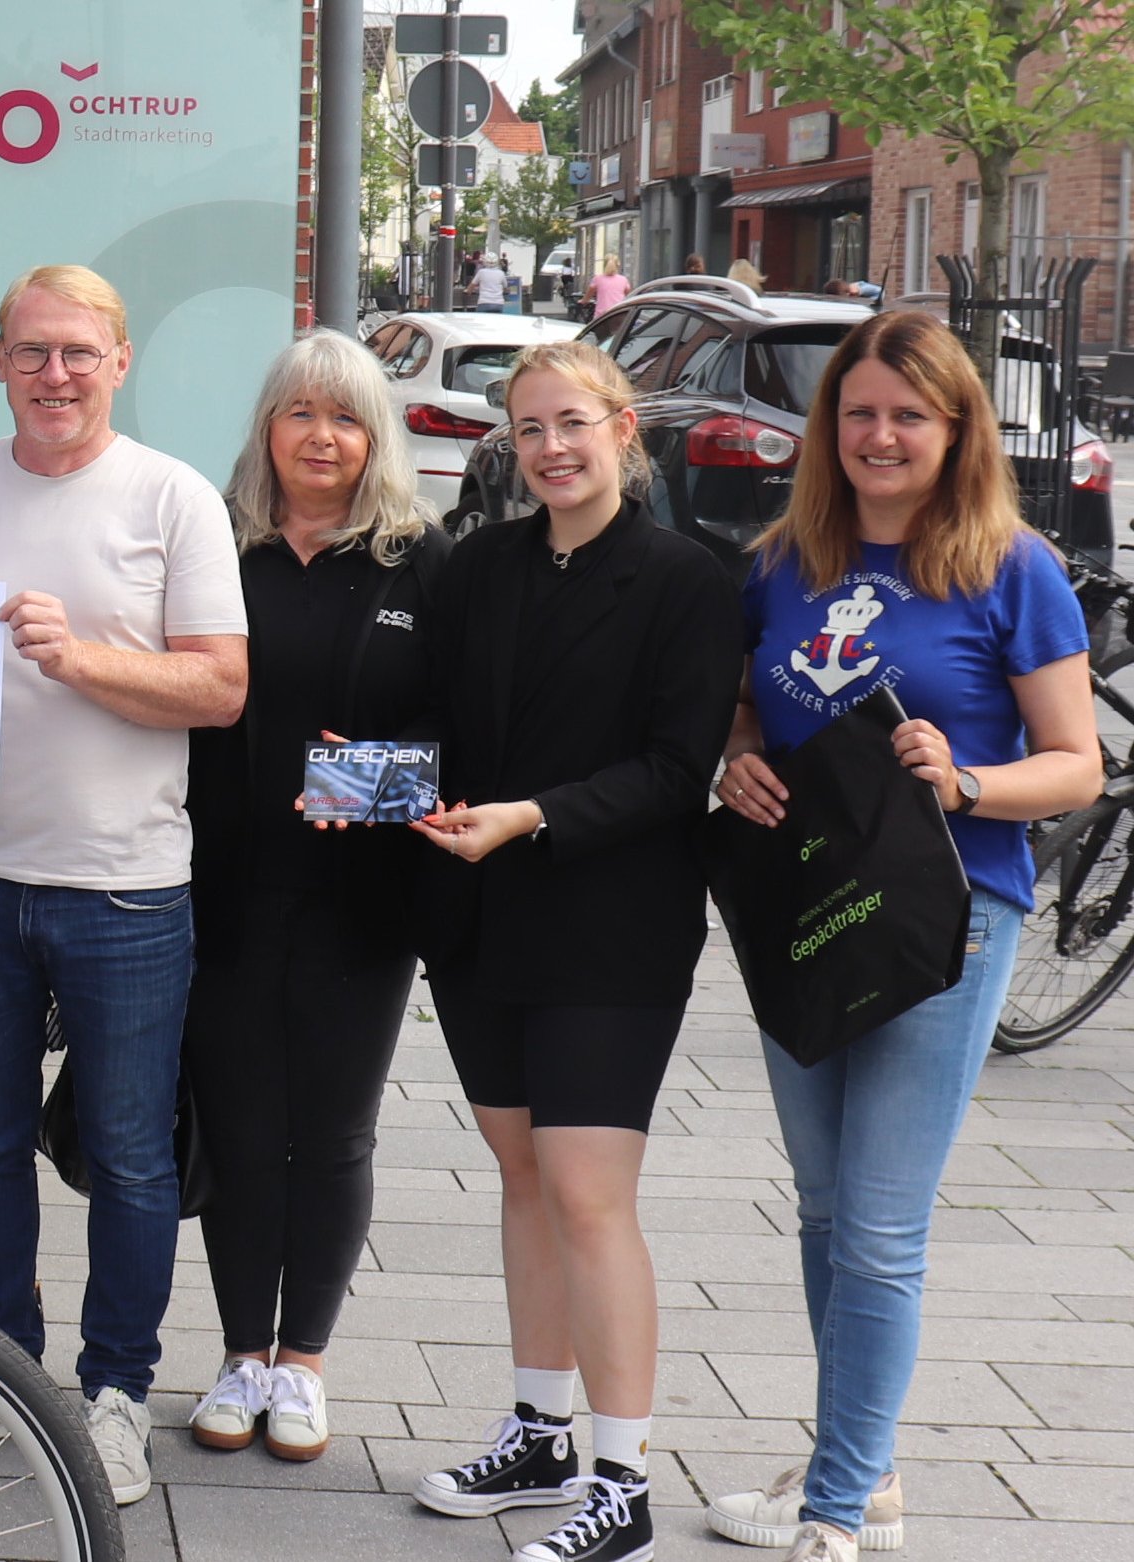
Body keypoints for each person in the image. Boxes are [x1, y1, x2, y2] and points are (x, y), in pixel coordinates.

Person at [703, 313, 1099, 1562]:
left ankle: (836, 1504)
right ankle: (856, 1465)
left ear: (955, 429)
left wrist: (966, 780)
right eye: (859, 413)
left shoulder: (1009, 567)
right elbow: (744, 710)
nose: (880, 435)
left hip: (949, 919)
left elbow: (1078, 767)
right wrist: (738, 758)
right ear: (830, 430)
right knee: (822, 1211)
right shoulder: (780, 562)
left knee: (879, 1222)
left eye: (908, 416)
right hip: (805, 914)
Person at [0, 264, 248, 1508]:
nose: (55, 373)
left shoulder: (174, 497)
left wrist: (80, 657)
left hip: (125, 887)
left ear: (120, 360)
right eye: (31, 351)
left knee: (128, 1153)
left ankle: (112, 1391)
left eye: (79, 352)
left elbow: (219, 688)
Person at [405, 339, 742, 1562]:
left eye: (571, 423)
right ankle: (540, 1427)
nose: (550, 447)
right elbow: (437, 718)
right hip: (482, 922)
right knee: (524, 1179)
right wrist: (373, 781)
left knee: (591, 1195)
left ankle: (623, 1476)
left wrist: (530, 815)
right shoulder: (480, 566)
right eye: (528, 428)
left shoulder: (688, 579)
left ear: (621, 429)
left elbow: (673, 768)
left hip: (611, 922)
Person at [179, 331, 449, 1467]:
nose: (322, 437)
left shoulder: (423, 562)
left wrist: (380, 779)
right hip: (222, 886)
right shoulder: (215, 550)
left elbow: (473, 735)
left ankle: (306, 1363)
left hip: (362, 897)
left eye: (345, 417)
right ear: (268, 429)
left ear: (374, 434)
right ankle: (244, 1351)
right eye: (300, 413)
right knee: (239, 1129)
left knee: (331, 1132)